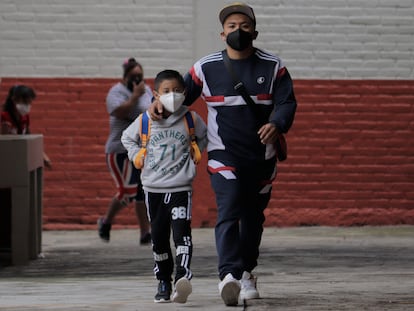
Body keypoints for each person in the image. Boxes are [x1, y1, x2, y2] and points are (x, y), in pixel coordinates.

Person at [148, 2, 297, 306]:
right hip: (222, 154)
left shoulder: (273, 67)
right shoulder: (205, 67)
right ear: (221, 33)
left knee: (254, 218)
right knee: (228, 210)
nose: (238, 31)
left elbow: (287, 103)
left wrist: (276, 123)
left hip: (262, 157)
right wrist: (158, 108)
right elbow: (177, 99)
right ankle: (228, 275)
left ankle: (246, 272)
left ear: (254, 31)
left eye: (244, 26)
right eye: (232, 27)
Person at [121, 69, 207, 303]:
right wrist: (136, 153)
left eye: (178, 91)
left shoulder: (191, 118)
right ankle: (163, 281)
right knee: (159, 239)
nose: (173, 95)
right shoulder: (146, 119)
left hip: (180, 187)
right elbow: (126, 138)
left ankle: (182, 277)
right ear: (156, 95)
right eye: (167, 91)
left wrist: (197, 149)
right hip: (153, 189)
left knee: (182, 234)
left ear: (185, 92)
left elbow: (204, 136)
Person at [98, 58, 151, 244]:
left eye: (140, 76)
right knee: (127, 192)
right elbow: (119, 112)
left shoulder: (147, 90)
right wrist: (135, 96)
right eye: (133, 76)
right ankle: (105, 221)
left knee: (141, 191)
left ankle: (145, 233)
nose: (137, 79)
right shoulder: (116, 92)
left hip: (139, 150)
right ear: (125, 76)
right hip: (119, 150)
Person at [1, 84, 52, 168]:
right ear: (14, 99)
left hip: (20, 158)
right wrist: (3, 135)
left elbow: (28, 137)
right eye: (25, 102)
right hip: (6, 160)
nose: (27, 106)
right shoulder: (4, 117)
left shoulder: (25, 117)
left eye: (29, 103)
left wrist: (42, 155)